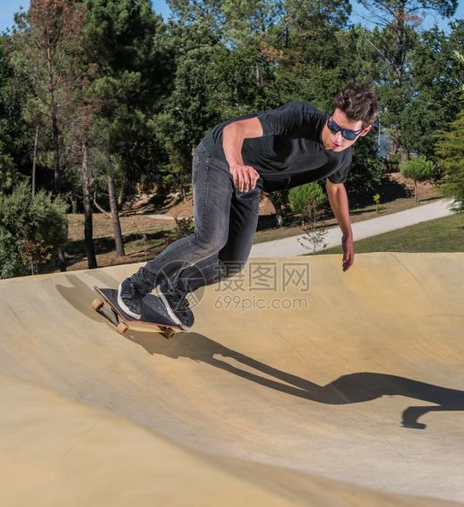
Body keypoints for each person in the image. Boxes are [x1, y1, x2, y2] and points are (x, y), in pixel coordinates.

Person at [118, 82, 378, 329]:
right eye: (334, 126)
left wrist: (347, 234)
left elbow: (336, 188)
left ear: (363, 131)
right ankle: (135, 286)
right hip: (220, 156)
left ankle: (175, 289)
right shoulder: (300, 116)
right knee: (210, 239)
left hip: (251, 181)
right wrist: (236, 165)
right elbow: (235, 130)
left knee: (232, 261)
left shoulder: (342, 158)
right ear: (331, 115)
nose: (337, 137)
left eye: (347, 133)